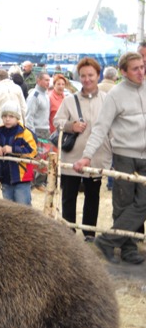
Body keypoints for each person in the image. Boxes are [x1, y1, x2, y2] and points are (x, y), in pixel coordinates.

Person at [73, 52, 146, 265]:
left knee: (142, 202)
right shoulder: (115, 95)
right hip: (124, 155)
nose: (141, 72)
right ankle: (128, 249)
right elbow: (101, 128)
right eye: (135, 68)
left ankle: (107, 240)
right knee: (123, 204)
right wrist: (87, 156)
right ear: (123, 72)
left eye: (142, 67)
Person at [54, 57, 112, 242]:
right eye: (83, 76)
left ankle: (89, 234)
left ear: (98, 74)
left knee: (92, 197)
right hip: (72, 157)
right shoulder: (70, 100)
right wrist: (72, 125)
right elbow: (57, 121)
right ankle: (68, 233)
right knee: (69, 196)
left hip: (97, 157)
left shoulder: (107, 100)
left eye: (91, 75)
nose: (87, 79)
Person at [0, 101, 37, 205]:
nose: (7, 119)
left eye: (11, 116)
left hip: (22, 178)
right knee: (8, 209)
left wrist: (13, 149)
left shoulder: (25, 133)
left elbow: (33, 151)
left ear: (17, 117)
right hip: (5, 177)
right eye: (5, 116)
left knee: (23, 208)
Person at [25, 71, 51, 191]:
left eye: (48, 80)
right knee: (35, 157)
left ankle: (40, 182)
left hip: (45, 129)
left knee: (44, 158)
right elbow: (29, 116)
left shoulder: (46, 95)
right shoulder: (34, 96)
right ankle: (30, 182)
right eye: (45, 80)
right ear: (38, 81)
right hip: (36, 130)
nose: (48, 82)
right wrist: (32, 133)